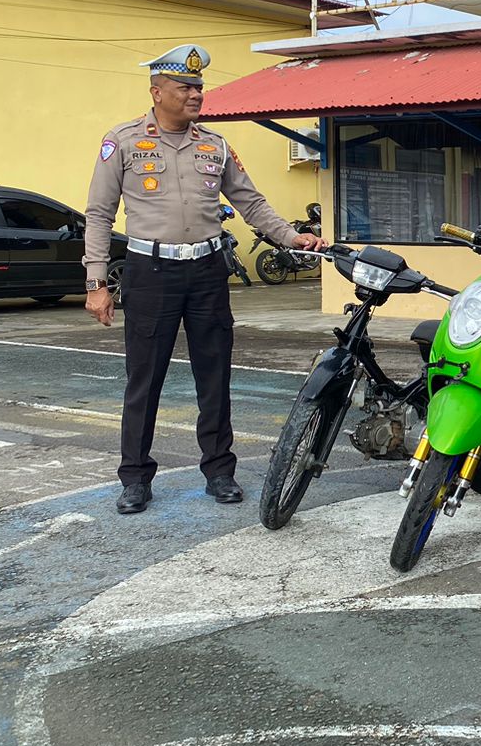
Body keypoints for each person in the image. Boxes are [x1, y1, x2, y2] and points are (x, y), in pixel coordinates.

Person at [83, 44, 325, 515]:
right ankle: (134, 477)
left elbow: (251, 201)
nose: (196, 94)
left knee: (213, 375)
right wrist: (97, 283)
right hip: (149, 273)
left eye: (199, 87)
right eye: (185, 87)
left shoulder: (213, 145)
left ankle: (220, 471)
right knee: (144, 379)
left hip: (207, 271)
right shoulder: (124, 142)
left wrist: (292, 238)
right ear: (157, 92)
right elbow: (98, 212)